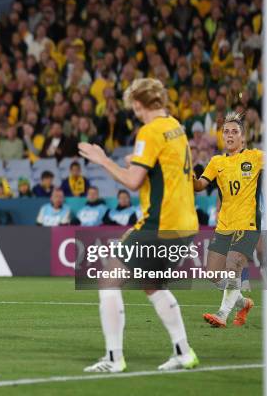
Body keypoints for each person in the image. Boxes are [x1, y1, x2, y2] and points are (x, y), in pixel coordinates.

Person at [79, 78, 199, 372]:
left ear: (137, 104)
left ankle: (113, 358)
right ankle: (184, 352)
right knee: (152, 284)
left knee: (108, 279)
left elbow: (133, 182)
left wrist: (103, 160)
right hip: (185, 224)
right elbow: (164, 166)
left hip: (159, 224)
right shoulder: (176, 127)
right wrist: (138, 159)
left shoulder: (149, 131)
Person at [193, 112, 261, 327]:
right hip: (224, 224)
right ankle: (243, 303)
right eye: (226, 132)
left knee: (233, 266)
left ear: (243, 137)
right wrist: (187, 177)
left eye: (235, 132)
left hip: (248, 223)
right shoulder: (216, 162)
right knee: (213, 274)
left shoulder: (256, 157)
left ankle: (222, 314)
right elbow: (200, 186)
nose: (230, 135)